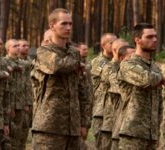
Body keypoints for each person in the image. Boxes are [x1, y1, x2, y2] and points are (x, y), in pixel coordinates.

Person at [31, 8, 90, 150]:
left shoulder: (74, 53)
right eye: (64, 24)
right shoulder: (44, 51)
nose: (68, 27)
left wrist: (84, 122)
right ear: (52, 26)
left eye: (70, 24)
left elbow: (82, 90)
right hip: (49, 126)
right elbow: (56, 66)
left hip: (72, 127)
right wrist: (77, 63)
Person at [117, 23, 163, 150]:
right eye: (149, 37)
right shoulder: (128, 63)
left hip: (151, 134)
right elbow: (146, 79)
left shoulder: (155, 67)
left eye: (155, 36)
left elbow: (158, 100)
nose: (154, 40)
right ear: (137, 40)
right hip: (132, 132)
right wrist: (161, 77)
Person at [98, 39, 129, 149]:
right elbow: (120, 88)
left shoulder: (126, 68)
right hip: (109, 117)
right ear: (116, 51)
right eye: (123, 49)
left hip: (123, 117)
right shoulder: (109, 68)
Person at [90, 33, 117, 149]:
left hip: (114, 111)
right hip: (101, 110)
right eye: (111, 43)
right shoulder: (99, 62)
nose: (115, 45)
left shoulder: (118, 62)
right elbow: (107, 76)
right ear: (103, 45)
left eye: (116, 42)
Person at [4, 39, 25, 150]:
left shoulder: (21, 63)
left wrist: (25, 102)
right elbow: (7, 88)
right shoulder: (5, 62)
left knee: (18, 133)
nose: (18, 48)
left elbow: (24, 85)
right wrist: (10, 106)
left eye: (18, 45)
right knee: (9, 135)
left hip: (20, 103)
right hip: (10, 103)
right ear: (8, 49)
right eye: (15, 46)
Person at [17, 39, 33, 150]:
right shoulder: (15, 61)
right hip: (17, 102)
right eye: (23, 45)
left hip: (29, 100)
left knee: (25, 131)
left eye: (27, 45)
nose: (26, 47)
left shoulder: (30, 60)